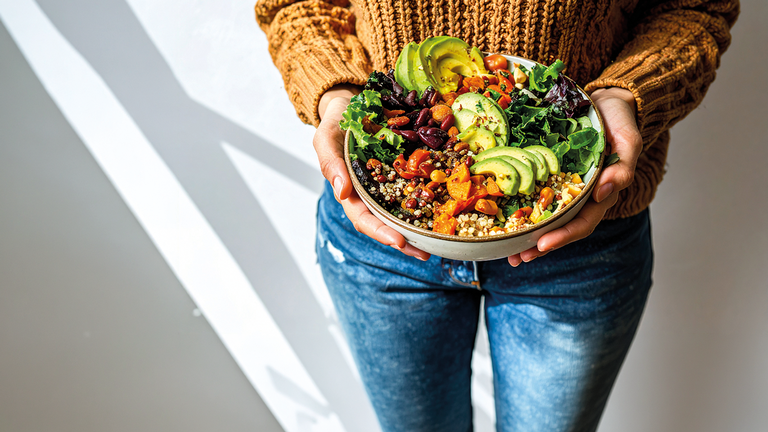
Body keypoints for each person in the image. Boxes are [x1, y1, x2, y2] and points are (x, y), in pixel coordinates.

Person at [256, 0, 739, 430]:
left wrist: (626, 95)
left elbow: (698, 8)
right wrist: (335, 94)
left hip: (582, 243)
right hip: (382, 238)